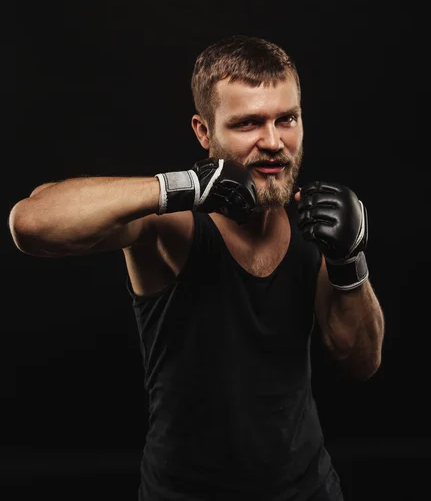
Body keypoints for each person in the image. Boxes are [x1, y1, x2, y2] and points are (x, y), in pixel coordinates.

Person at [8, 35, 385, 501]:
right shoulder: (174, 227)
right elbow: (31, 224)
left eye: (286, 119)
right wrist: (183, 186)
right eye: (248, 123)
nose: (273, 142)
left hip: (308, 489)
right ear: (205, 133)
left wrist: (350, 260)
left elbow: (362, 361)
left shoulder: (317, 227)